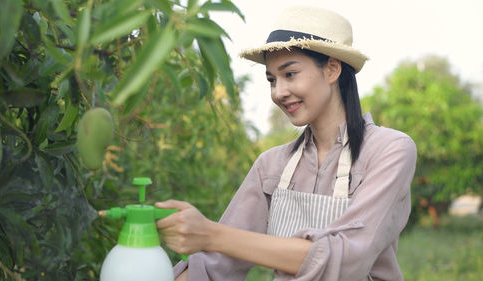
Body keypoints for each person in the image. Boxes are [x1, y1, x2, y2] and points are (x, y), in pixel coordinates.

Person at [156, 6, 417, 281]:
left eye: (289, 74)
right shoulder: (271, 166)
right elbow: (216, 265)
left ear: (332, 69)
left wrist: (210, 234)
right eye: (271, 80)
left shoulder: (389, 150)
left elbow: (348, 259)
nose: (279, 92)